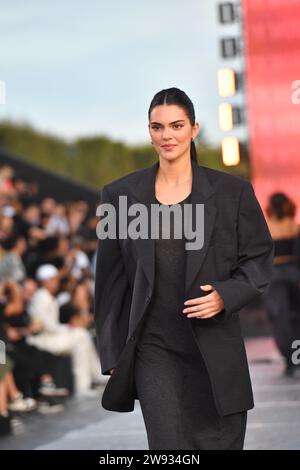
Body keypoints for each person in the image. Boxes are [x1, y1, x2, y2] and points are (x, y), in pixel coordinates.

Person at [94, 87, 274, 450]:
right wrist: (113, 351)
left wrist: (226, 295)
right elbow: (110, 283)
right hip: (154, 351)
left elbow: (259, 257)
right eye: (157, 127)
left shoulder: (232, 193)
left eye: (176, 125)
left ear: (194, 129)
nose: (167, 135)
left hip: (216, 349)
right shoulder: (120, 197)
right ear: (150, 132)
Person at [264, 192, 300, 375]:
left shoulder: (266, 228)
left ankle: (288, 357)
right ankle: (296, 355)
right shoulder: (294, 227)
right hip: (294, 273)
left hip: (274, 274)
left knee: (280, 317)